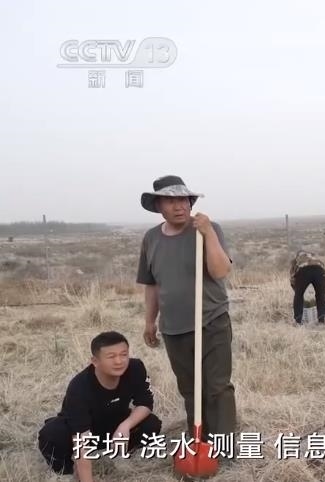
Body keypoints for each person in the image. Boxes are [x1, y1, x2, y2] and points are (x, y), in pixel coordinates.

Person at [136, 175, 237, 439]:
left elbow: (220, 271)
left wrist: (208, 234)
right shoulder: (151, 239)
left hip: (211, 321)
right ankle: (199, 441)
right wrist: (149, 321)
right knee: (190, 389)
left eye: (183, 199)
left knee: (217, 387)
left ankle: (224, 445)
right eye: (171, 201)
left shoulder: (208, 229)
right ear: (158, 205)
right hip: (173, 328)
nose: (179, 206)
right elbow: (151, 284)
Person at [37, 332, 162, 478]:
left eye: (123, 354)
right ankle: (67, 469)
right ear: (95, 361)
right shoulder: (79, 386)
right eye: (111, 356)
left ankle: (118, 451)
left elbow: (145, 403)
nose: (119, 361)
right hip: (83, 430)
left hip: (115, 426)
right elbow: (81, 438)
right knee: (52, 434)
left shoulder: (136, 368)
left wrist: (125, 426)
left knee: (151, 424)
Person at [290, 250, 325, 324]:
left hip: (304, 271)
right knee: (320, 296)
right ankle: (321, 321)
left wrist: (296, 290)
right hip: (319, 271)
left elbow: (292, 277)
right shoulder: (317, 260)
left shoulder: (296, 260)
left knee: (299, 295)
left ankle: (298, 321)